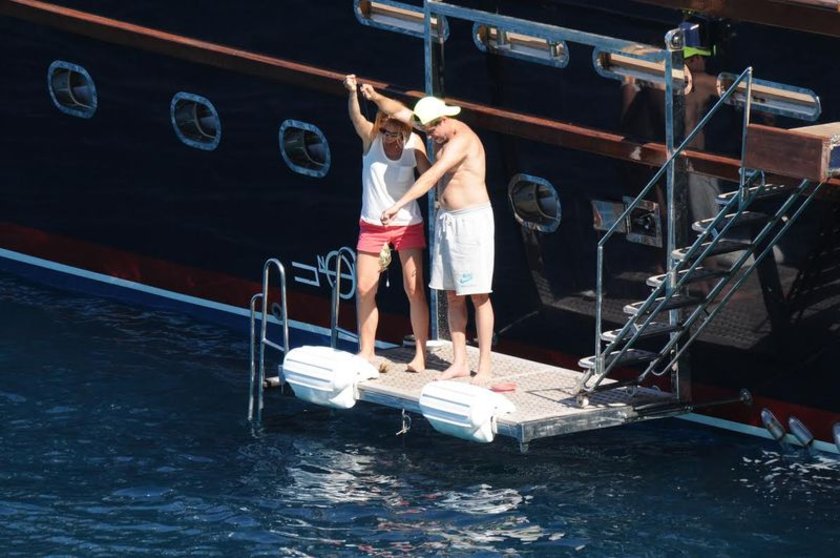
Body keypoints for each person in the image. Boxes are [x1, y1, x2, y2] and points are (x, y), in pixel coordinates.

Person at [359, 83, 495, 383]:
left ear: (443, 120)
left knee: (478, 296)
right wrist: (375, 97)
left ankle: (484, 365)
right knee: (452, 296)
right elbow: (399, 112)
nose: (428, 136)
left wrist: (398, 205)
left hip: (471, 221)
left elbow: (432, 175)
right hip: (447, 220)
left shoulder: (461, 141)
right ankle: (460, 362)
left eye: (431, 130)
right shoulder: (436, 127)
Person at [344, 74, 431, 373]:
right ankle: (366, 350)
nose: (390, 138)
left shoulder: (414, 144)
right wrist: (352, 93)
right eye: (386, 131)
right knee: (365, 288)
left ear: (405, 130)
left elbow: (429, 176)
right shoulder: (371, 138)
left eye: (396, 133)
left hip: (407, 223)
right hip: (372, 223)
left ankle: (420, 354)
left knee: (414, 288)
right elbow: (356, 117)